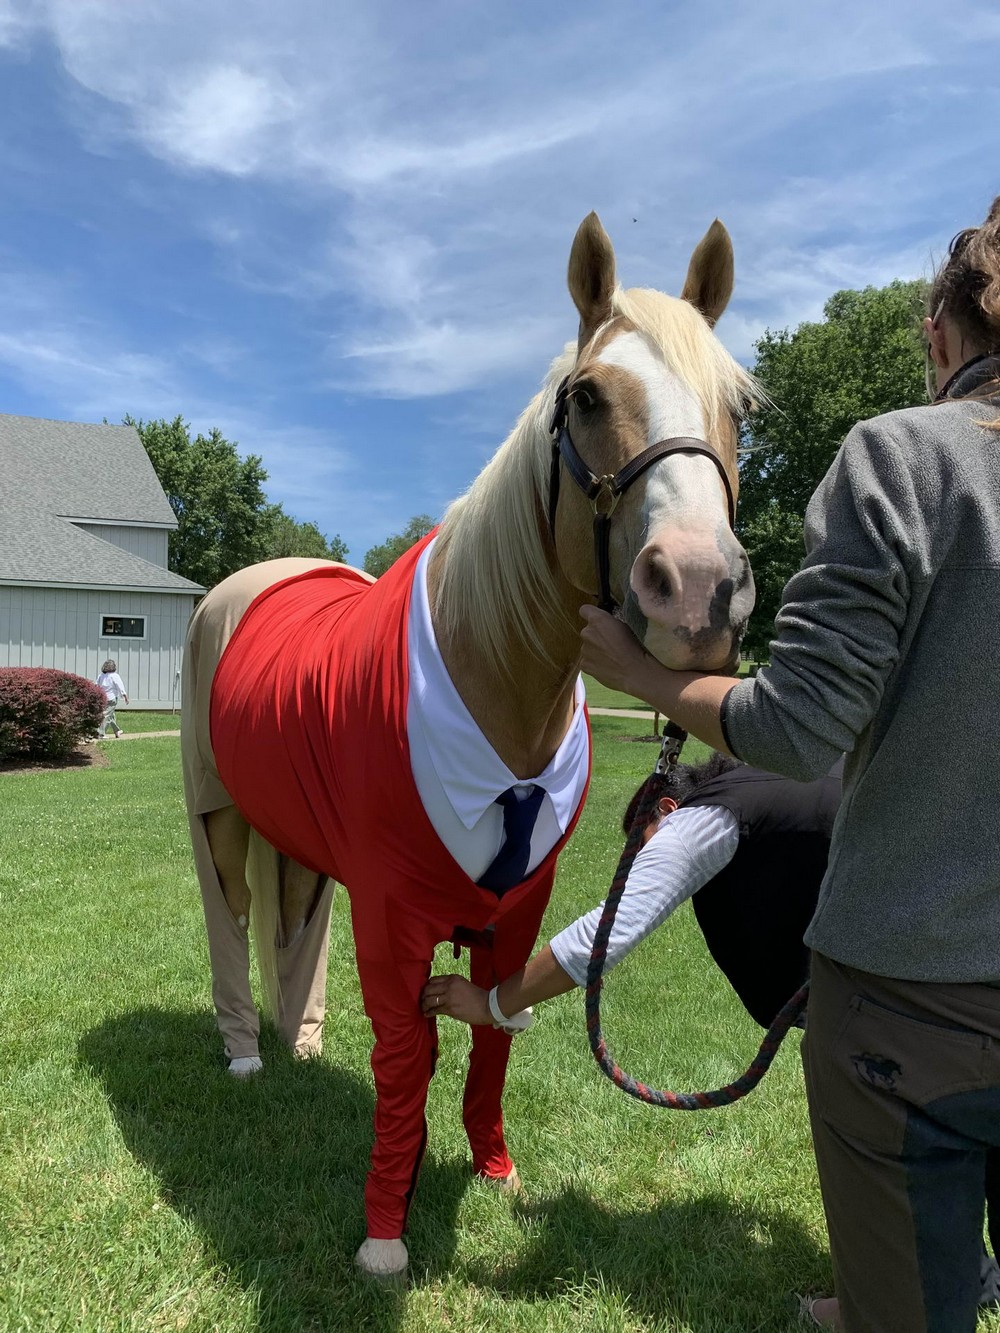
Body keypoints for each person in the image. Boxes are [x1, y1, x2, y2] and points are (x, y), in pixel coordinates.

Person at [575, 197, 1000, 1332]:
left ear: (943, 334)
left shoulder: (906, 459)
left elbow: (800, 725)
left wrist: (650, 679)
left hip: (918, 1000)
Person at [422, 754, 1000, 1317]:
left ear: (666, 809)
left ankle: (878, 1303)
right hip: (968, 951)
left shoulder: (709, 817)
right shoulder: (785, 775)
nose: (644, 863)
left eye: (642, 847)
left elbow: (602, 935)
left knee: (882, 1138)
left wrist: (491, 1002)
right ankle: (971, 1275)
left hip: (910, 993)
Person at [95, 658, 128, 738]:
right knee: (106, 715)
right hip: (112, 699)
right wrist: (125, 696)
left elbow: (96, 685)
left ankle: (117, 731)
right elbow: (120, 686)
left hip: (103, 698)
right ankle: (101, 733)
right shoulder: (115, 676)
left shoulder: (101, 676)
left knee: (111, 715)